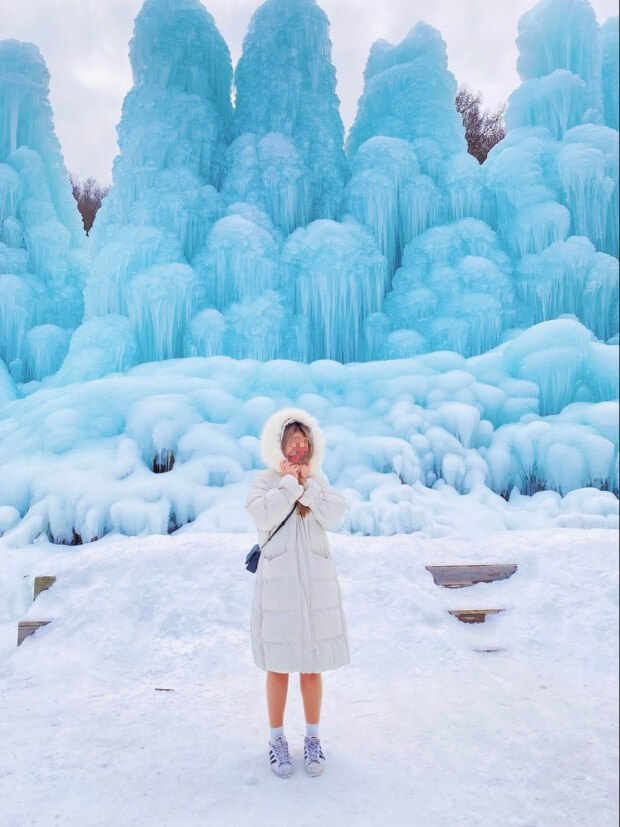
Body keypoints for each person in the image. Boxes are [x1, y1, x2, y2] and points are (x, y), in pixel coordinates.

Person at [244, 406, 350, 779]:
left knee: (311, 665)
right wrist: (289, 485)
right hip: (279, 588)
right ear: (279, 447)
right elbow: (261, 516)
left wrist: (309, 487)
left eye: (303, 446)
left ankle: (313, 739)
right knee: (278, 665)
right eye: (291, 445)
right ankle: (276, 741)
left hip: (314, 587)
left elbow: (335, 512)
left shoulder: (318, 481)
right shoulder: (265, 482)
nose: (297, 453)